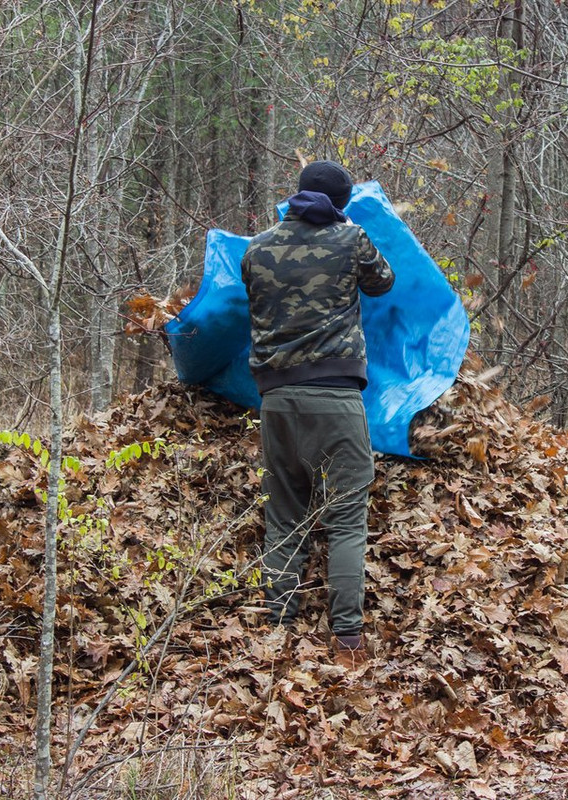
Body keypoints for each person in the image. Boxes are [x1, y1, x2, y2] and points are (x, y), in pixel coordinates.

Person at [240, 160, 395, 668]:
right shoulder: (350, 241)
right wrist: (351, 231)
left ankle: (276, 632)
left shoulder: (256, 247)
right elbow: (383, 283)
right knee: (347, 519)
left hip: (275, 402)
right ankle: (347, 638)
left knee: (284, 517)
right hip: (335, 397)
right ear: (342, 204)